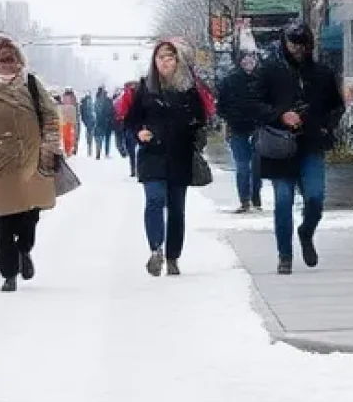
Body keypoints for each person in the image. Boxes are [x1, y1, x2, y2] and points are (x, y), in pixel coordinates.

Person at [0, 36, 60, 292]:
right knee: (4, 221)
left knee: (31, 215)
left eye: (12, 58)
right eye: (2, 59)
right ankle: (8, 274)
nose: (8, 63)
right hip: (0, 164)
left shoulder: (30, 83)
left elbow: (51, 117)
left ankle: (24, 250)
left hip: (33, 159)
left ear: (19, 60)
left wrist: (49, 145)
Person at [120, 41, 213, 277]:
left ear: (177, 60)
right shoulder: (145, 88)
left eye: (170, 57)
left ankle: (173, 257)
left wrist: (193, 132)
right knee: (154, 200)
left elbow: (202, 119)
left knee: (176, 209)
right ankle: (156, 250)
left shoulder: (189, 89)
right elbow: (130, 120)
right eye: (160, 57)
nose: (165, 61)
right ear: (154, 61)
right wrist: (139, 132)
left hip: (179, 154)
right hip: (152, 154)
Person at [259, 21, 345, 274]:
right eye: (293, 43)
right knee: (283, 200)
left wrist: (325, 125)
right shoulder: (270, 72)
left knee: (315, 197)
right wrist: (279, 115)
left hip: (311, 143)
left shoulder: (321, 73)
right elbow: (254, 105)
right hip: (279, 144)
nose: (298, 49)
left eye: (303, 43)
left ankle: (306, 232)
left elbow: (336, 106)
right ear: (284, 43)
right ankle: (284, 255)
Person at [217, 48, 270, 213]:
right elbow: (221, 106)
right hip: (238, 129)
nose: (248, 62)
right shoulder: (229, 81)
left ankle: (256, 196)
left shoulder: (263, 80)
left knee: (257, 165)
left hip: (258, 128)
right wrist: (230, 118)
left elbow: (271, 102)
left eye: (251, 59)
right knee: (242, 166)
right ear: (239, 61)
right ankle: (244, 200)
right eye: (245, 59)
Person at [93, 86, 115, 160]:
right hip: (107, 122)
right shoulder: (108, 100)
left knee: (99, 138)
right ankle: (106, 153)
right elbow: (112, 111)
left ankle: (98, 152)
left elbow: (95, 111)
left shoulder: (97, 100)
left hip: (99, 122)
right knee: (107, 138)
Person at [57, 89, 80, 157]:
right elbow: (76, 109)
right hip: (71, 120)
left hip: (64, 120)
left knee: (65, 136)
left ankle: (68, 151)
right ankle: (72, 150)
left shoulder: (63, 98)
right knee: (73, 135)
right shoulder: (74, 98)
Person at [79, 91, 96, 157]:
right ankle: (89, 149)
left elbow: (82, 113)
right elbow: (93, 112)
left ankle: (89, 149)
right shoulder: (90, 102)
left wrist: (84, 121)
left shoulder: (83, 103)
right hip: (90, 121)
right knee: (90, 135)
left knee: (89, 134)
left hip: (87, 121)